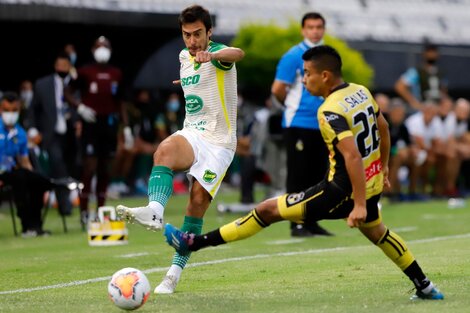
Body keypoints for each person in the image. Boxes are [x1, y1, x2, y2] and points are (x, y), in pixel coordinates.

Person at [163, 45, 444, 301]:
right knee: (378, 233)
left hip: (340, 190)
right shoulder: (361, 91)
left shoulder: (329, 110)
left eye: (307, 74)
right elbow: (382, 127)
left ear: (325, 75)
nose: (304, 80)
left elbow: (352, 156)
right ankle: (425, 286)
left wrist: (357, 205)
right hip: (369, 184)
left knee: (266, 210)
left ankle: (194, 242)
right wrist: (381, 168)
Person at [116, 4, 245, 294]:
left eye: (198, 34)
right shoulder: (183, 56)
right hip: (193, 133)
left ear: (209, 32)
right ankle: (154, 210)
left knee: (196, 202)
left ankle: (173, 275)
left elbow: (237, 54)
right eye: (187, 34)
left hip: (220, 142)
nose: (192, 41)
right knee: (164, 150)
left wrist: (212, 55)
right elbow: (196, 77)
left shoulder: (218, 54)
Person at [271, 12, 332, 237]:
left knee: (319, 175)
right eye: (310, 27)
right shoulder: (293, 55)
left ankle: (312, 221)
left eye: (319, 27)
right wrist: (291, 108)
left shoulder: (327, 55)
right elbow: (278, 88)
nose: (315, 31)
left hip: (323, 123)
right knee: (298, 175)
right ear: (303, 30)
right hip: (298, 123)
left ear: (323, 29)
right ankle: (296, 223)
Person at [64, 36, 131, 225]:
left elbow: (121, 102)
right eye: (99, 46)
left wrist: (126, 128)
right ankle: (84, 211)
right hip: (90, 123)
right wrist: (79, 108)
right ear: (93, 49)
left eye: (106, 47)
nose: (102, 50)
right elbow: (67, 91)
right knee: (89, 167)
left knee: (104, 169)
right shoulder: (85, 71)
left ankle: (101, 210)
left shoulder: (116, 73)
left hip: (109, 124)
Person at [28, 52, 77, 216]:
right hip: (51, 134)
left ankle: (69, 199)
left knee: (71, 166)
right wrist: (33, 129)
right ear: (55, 66)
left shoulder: (76, 84)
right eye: (59, 65)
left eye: (65, 66)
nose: (62, 69)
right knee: (58, 165)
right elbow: (33, 109)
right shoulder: (42, 85)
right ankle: (65, 205)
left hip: (71, 134)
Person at [0, 92, 54, 237]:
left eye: (14, 110)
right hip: (3, 172)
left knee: (40, 181)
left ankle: (35, 225)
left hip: (13, 172)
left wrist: (34, 176)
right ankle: (26, 226)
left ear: (19, 110)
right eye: (6, 110)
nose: (10, 114)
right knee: (21, 179)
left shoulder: (20, 133)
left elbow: (24, 161)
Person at [394, 43, 448, 113]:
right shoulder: (416, 72)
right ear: (424, 54)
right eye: (429, 52)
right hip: (422, 110)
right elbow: (399, 86)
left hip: (436, 110)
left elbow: (443, 91)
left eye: (434, 52)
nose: (431, 54)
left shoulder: (440, 73)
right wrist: (414, 102)